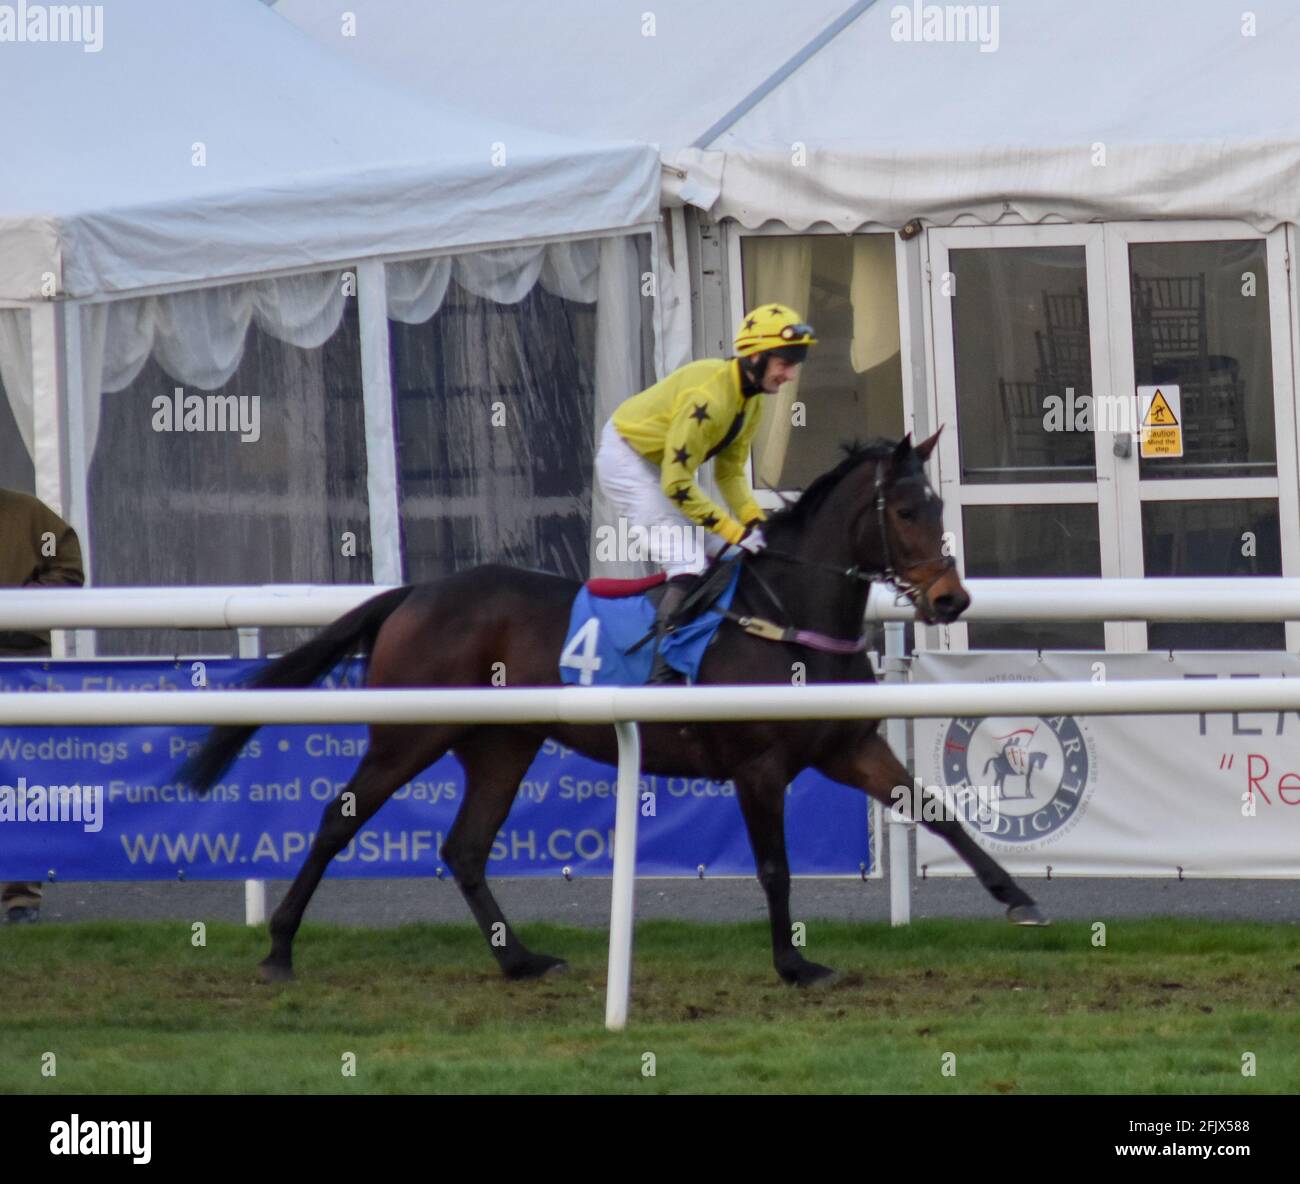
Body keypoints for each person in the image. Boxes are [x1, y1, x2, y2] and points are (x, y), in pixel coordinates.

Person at [595, 303, 816, 682]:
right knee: (689, 562)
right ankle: (660, 671)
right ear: (756, 356)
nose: (790, 374)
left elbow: (729, 473)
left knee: (732, 552)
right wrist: (734, 532)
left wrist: (754, 525)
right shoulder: (710, 399)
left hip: (662, 465)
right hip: (627, 458)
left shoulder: (750, 402)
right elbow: (677, 484)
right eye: (785, 363)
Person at [0, 487, 85, 922]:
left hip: (16, 666)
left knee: (19, 781)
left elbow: (67, 572)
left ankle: (20, 896)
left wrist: (16, 609)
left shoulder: (30, 515)